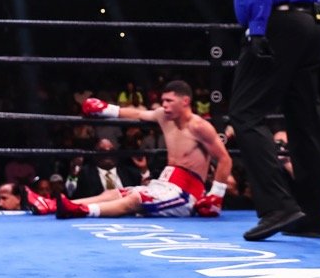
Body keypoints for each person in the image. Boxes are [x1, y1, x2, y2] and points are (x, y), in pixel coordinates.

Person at [227, 0, 320, 241]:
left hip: (277, 22)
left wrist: (257, 27)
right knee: (304, 121)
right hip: (310, 23)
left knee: (244, 112)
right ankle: (313, 218)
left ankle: (277, 206)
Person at [57, 81, 231, 219]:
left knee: (134, 199)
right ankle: (60, 204)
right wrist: (105, 109)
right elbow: (138, 114)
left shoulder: (199, 127)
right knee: (116, 193)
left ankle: (81, 211)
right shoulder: (164, 116)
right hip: (164, 184)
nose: (164, 105)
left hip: (186, 195)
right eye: (163, 100)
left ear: (185, 101)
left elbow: (225, 159)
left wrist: (216, 195)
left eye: (169, 101)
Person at [72, 137, 144, 199]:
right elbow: (71, 193)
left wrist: (144, 169)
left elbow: (146, 190)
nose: (107, 154)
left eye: (111, 151)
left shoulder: (129, 172)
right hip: (100, 210)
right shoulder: (86, 172)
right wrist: (73, 175)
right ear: (95, 155)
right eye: (102, 151)